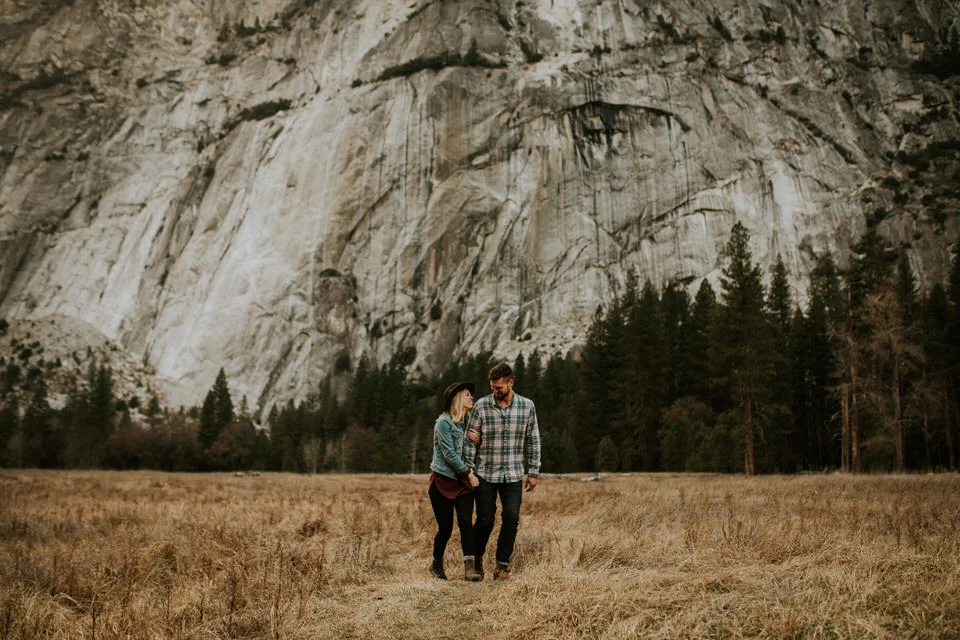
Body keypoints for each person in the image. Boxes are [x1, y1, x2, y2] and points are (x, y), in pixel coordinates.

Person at [464, 362, 541, 580]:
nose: (495, 391)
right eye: (492, 387)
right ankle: (476, 560)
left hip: (513, 474)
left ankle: (502, 566)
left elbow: (533, 440)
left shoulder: (527, 406)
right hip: (486, 473)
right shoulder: (481, 406)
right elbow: (470, 440)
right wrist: (468, 470)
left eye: (499, 387)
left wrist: (533, 472)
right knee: (485, 520)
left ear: (510, 383)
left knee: (511, 517)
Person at [428, 381, 483, 581]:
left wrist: (478, 441)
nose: (471, 397)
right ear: (457, 398)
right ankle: (436, 564)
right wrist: (469, 474)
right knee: (445, 528)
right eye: (467, 394)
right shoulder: (443, 423)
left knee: (466, 524)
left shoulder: (466, 424)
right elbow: (449, 454)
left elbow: (470, 451)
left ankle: (470, 569)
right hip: (442, 481)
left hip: (462, 483)